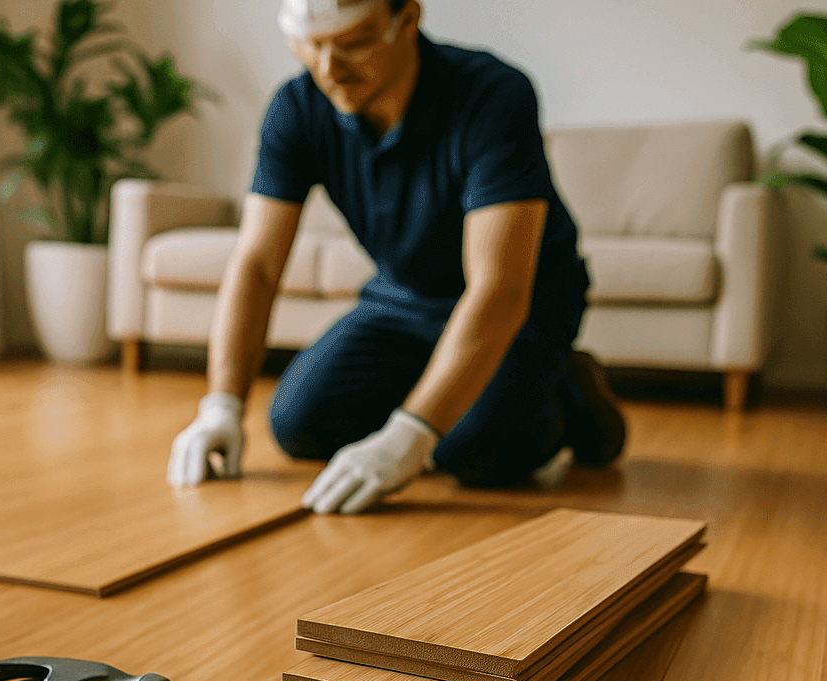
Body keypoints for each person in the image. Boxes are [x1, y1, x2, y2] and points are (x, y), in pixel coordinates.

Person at [167, 0, 625, 514]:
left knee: (471, 450)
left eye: (354, 42)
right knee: (298, 424)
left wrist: (412, 433)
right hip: (403, 299)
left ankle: (571, 390)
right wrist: (222, 406)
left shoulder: (492, 94)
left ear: (407, 18)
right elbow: (257, 264)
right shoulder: (297, 107)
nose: (329, 68)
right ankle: (447, 390)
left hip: (524, 305)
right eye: (311, 45)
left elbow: (499, 288)